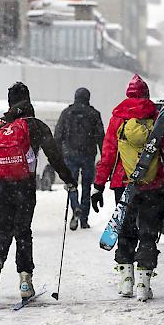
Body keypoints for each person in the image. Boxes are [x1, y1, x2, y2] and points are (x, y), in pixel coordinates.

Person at [0, 82, 77, 302]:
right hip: (24, 187)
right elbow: (54, 155)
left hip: (0, 188)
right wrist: (69, 179)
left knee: (3, 231)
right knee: (23, 232)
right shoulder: (35, 125)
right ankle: (25, 280)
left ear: (9, 101)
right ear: (28, 100)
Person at [90, 74, 164, 301]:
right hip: (154, 183)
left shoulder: (118, 119)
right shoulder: (160, 118)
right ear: (147, 95)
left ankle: (126, 280)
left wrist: (99, 185)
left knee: (125, 228)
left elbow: (109, 154)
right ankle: (144, 281)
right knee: (149, 232)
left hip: (124, 182)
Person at [54, 87, 105, 230]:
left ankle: (75, 206)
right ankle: (84, 219)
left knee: (72, 184)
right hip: (88, 155)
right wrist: (105, 155)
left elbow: (58, 135)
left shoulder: (67, 113)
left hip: (70, 155)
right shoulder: (94, 114)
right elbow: (101, 137)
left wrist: (57, 155)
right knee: (87, 187)